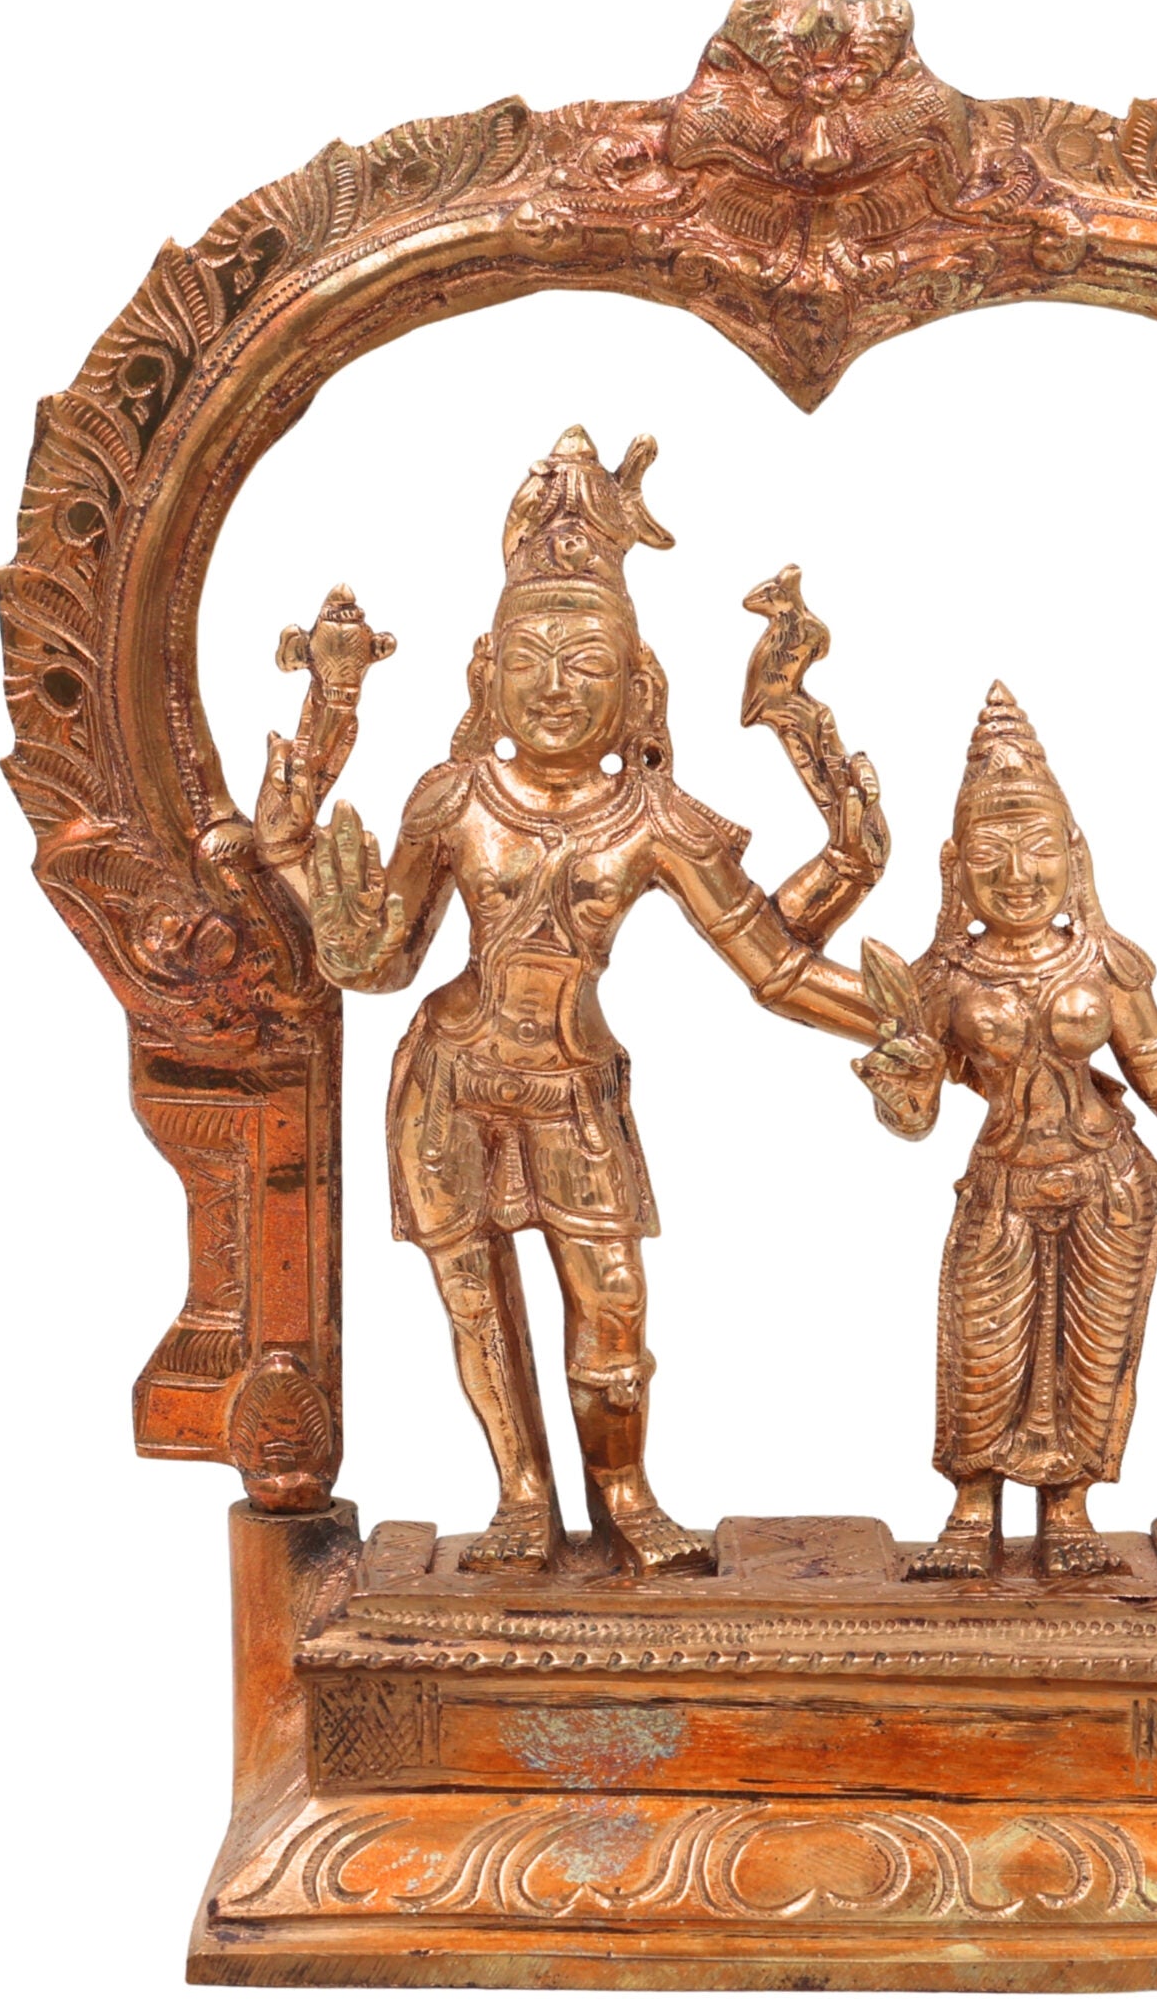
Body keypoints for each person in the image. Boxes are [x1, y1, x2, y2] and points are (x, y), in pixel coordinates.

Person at [254, 427, 884, 1576]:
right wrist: (302, 857)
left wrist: (901, 1018)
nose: (553, 686)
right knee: (474, 1302)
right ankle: (520, 1495)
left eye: (586, 663)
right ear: (484, 675)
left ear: (636, 687)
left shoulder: (653, 817)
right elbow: (381, 959)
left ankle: (625, 1491)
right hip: (448, 1081)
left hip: (573, 1090)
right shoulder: (453, 798)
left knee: (614, 1307)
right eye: (530, 659)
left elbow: (774, 967)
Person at [854, 684, 1157, 1578]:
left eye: (1039, 849)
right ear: (955, 869)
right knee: (984, 1344)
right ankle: (972, 1509)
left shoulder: (1104, 964)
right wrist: (899, 1082)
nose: (1018, 874)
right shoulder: (941, 977)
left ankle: (1068, 1507)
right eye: (991, 854)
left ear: (1075, 855)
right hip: (1004, 1183)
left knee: (1092, 1352)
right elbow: (917, 1119)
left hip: (1108, 1183)